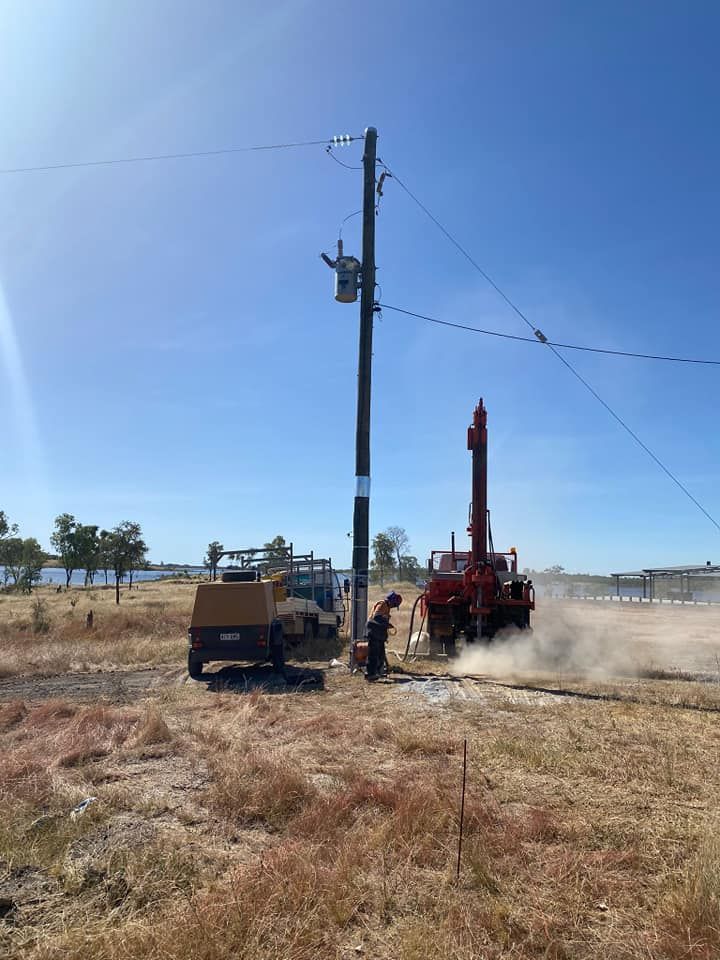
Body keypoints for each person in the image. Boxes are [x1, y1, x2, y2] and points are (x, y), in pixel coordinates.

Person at [365, 591, 402, 681]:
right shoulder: (382, 604)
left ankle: (378, 672)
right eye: (394, 604)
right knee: (373, 654)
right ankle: (370, 674)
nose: (394, 606)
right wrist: (387, 624)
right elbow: (376, 617)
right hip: (373, 631)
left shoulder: (386, 607)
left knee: (380, 654)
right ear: (392, 601)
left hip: (378, 633)